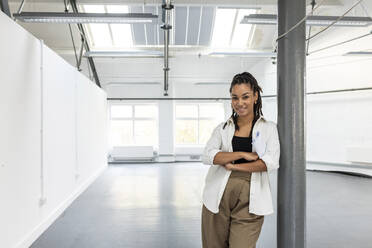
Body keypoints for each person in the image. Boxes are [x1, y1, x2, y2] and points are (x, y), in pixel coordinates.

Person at [201, 72, 280, 248]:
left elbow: (271, 162)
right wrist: (241, 155)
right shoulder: (222, 128)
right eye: (235, 98)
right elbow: (207, 155)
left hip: (250, 197)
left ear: (255, 96)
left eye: (245, 97)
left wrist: (234, 166)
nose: (240, 103)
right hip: (217, 195)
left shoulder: (269, 128)